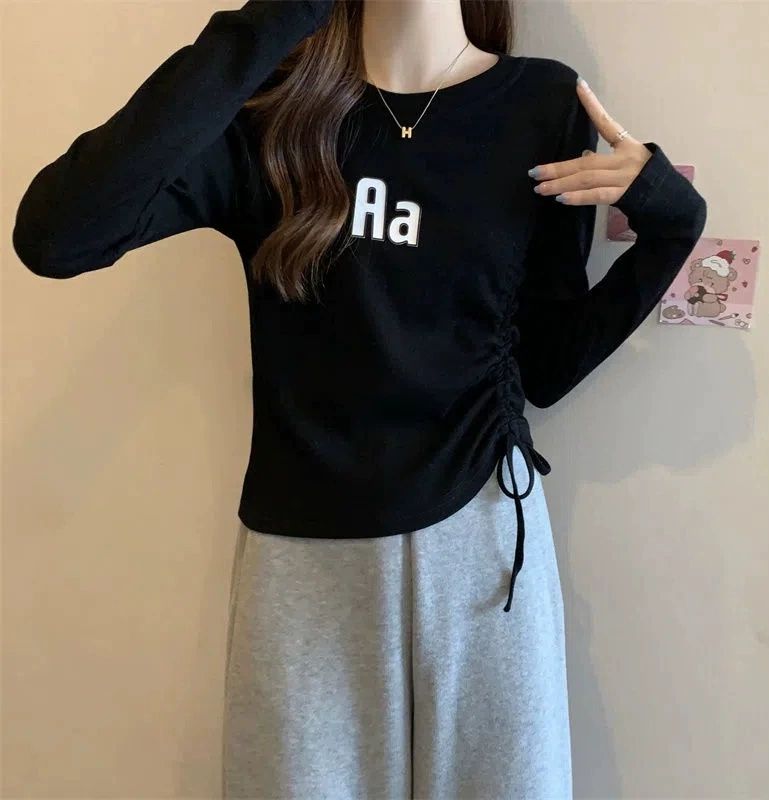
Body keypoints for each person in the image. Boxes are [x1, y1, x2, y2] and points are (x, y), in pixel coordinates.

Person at [12, 0, 707, 797]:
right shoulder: (274, 111)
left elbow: (545, 365)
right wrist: (272, 22)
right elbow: (58, 235)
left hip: (484, 546)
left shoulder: (540, 103)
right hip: (302, 562)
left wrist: (670, 230)